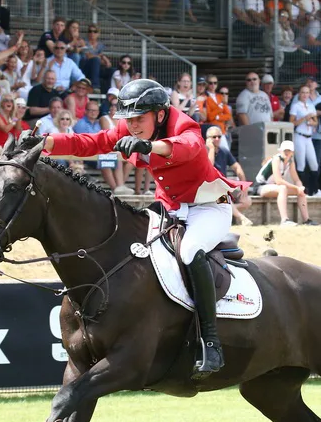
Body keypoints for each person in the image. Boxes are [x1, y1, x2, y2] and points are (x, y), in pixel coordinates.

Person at [42, 79, 236, 378]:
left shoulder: (185, 126)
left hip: (208, 207)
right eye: (128, 119)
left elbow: (186, 149)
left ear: (160, 115)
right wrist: (45, 142)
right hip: (168, 208)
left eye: (138, 119)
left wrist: (149, 145)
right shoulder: (131, 128)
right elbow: (89, 143)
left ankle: (211, 341)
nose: (132, 126)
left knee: (188, 251)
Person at [255, 140, 313, 226]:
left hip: (274, 187)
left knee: (301, 192)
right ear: (280, 151)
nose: (286, 152)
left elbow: (296, 180)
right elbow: (278, 181)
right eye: (284, 150)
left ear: (292, 152)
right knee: (283, 188)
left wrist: (300, 188)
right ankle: (284, 220)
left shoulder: (290, 162)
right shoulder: (276, 159)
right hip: (262, 187)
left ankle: (307, 220)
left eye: (288, 150)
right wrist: (297, 188)